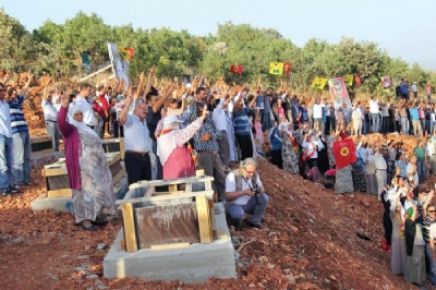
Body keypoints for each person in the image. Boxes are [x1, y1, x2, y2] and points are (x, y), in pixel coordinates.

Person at [58, 90, 115, 231]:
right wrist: (64, 106)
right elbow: (61, 122)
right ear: (71, 115)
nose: (79, 116)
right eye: (76, 114)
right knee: (82, 192)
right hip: (80, 167)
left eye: (80, 114)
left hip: (95, 167)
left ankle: (95, 215)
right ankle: (84, 219)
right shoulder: (70, 129)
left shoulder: (87, 129)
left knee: (96, 191)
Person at [157, 109, 207, 180]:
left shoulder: (161, 137)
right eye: (176, 124)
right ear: (172, 124)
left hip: (169, 172)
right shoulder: (173, 135)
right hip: (180, 172)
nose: (178, 126)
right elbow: (189, 131)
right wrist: (202, 118)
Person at [119, 91, 154, 185]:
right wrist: (127, 104)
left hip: (145, 157)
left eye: (146, 109)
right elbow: (121, 118)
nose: (145, 111)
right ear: (135, 110)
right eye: (142, 108)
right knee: (135, 186)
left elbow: (145, 92)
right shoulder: (131, 119)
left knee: (147, 186)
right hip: (133, 158)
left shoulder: (144, 122)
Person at [225, 158, 269, 229]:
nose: (251, 174)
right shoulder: (232, 176)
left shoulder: (254, 175)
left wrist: (257, 190)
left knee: (264, 198)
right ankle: (234, 222)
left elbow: (262, 189)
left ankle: (255, 221)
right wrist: (244, 192)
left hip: (249, 203)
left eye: (252, 172)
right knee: (238, 215)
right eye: (249, 172)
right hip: (235, 204)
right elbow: (228, 196)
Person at [0, 82, 17, 195]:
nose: (3, 92)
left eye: (4, 90)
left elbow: (14, 96)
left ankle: (10, 184)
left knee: (10, 162)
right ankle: (4, 186)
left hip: (9, 135)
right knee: (2, 163)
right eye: (2, 90)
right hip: (0, 135)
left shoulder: (6, 104)